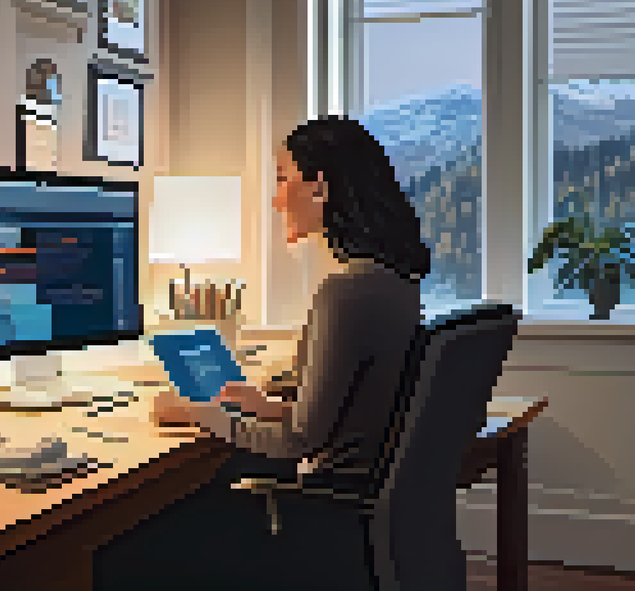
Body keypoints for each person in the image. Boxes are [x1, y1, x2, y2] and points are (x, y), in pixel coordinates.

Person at [93, 115, 431, 591]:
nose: (275, 199)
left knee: (117, 549)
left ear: (319, 188)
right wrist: (270, 406)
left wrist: (197, 413)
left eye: (282, 179)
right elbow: (357, 409)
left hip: (319, 514)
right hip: (360, 511)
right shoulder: (396, 284)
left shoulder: (345, 294)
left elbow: (297, 443)